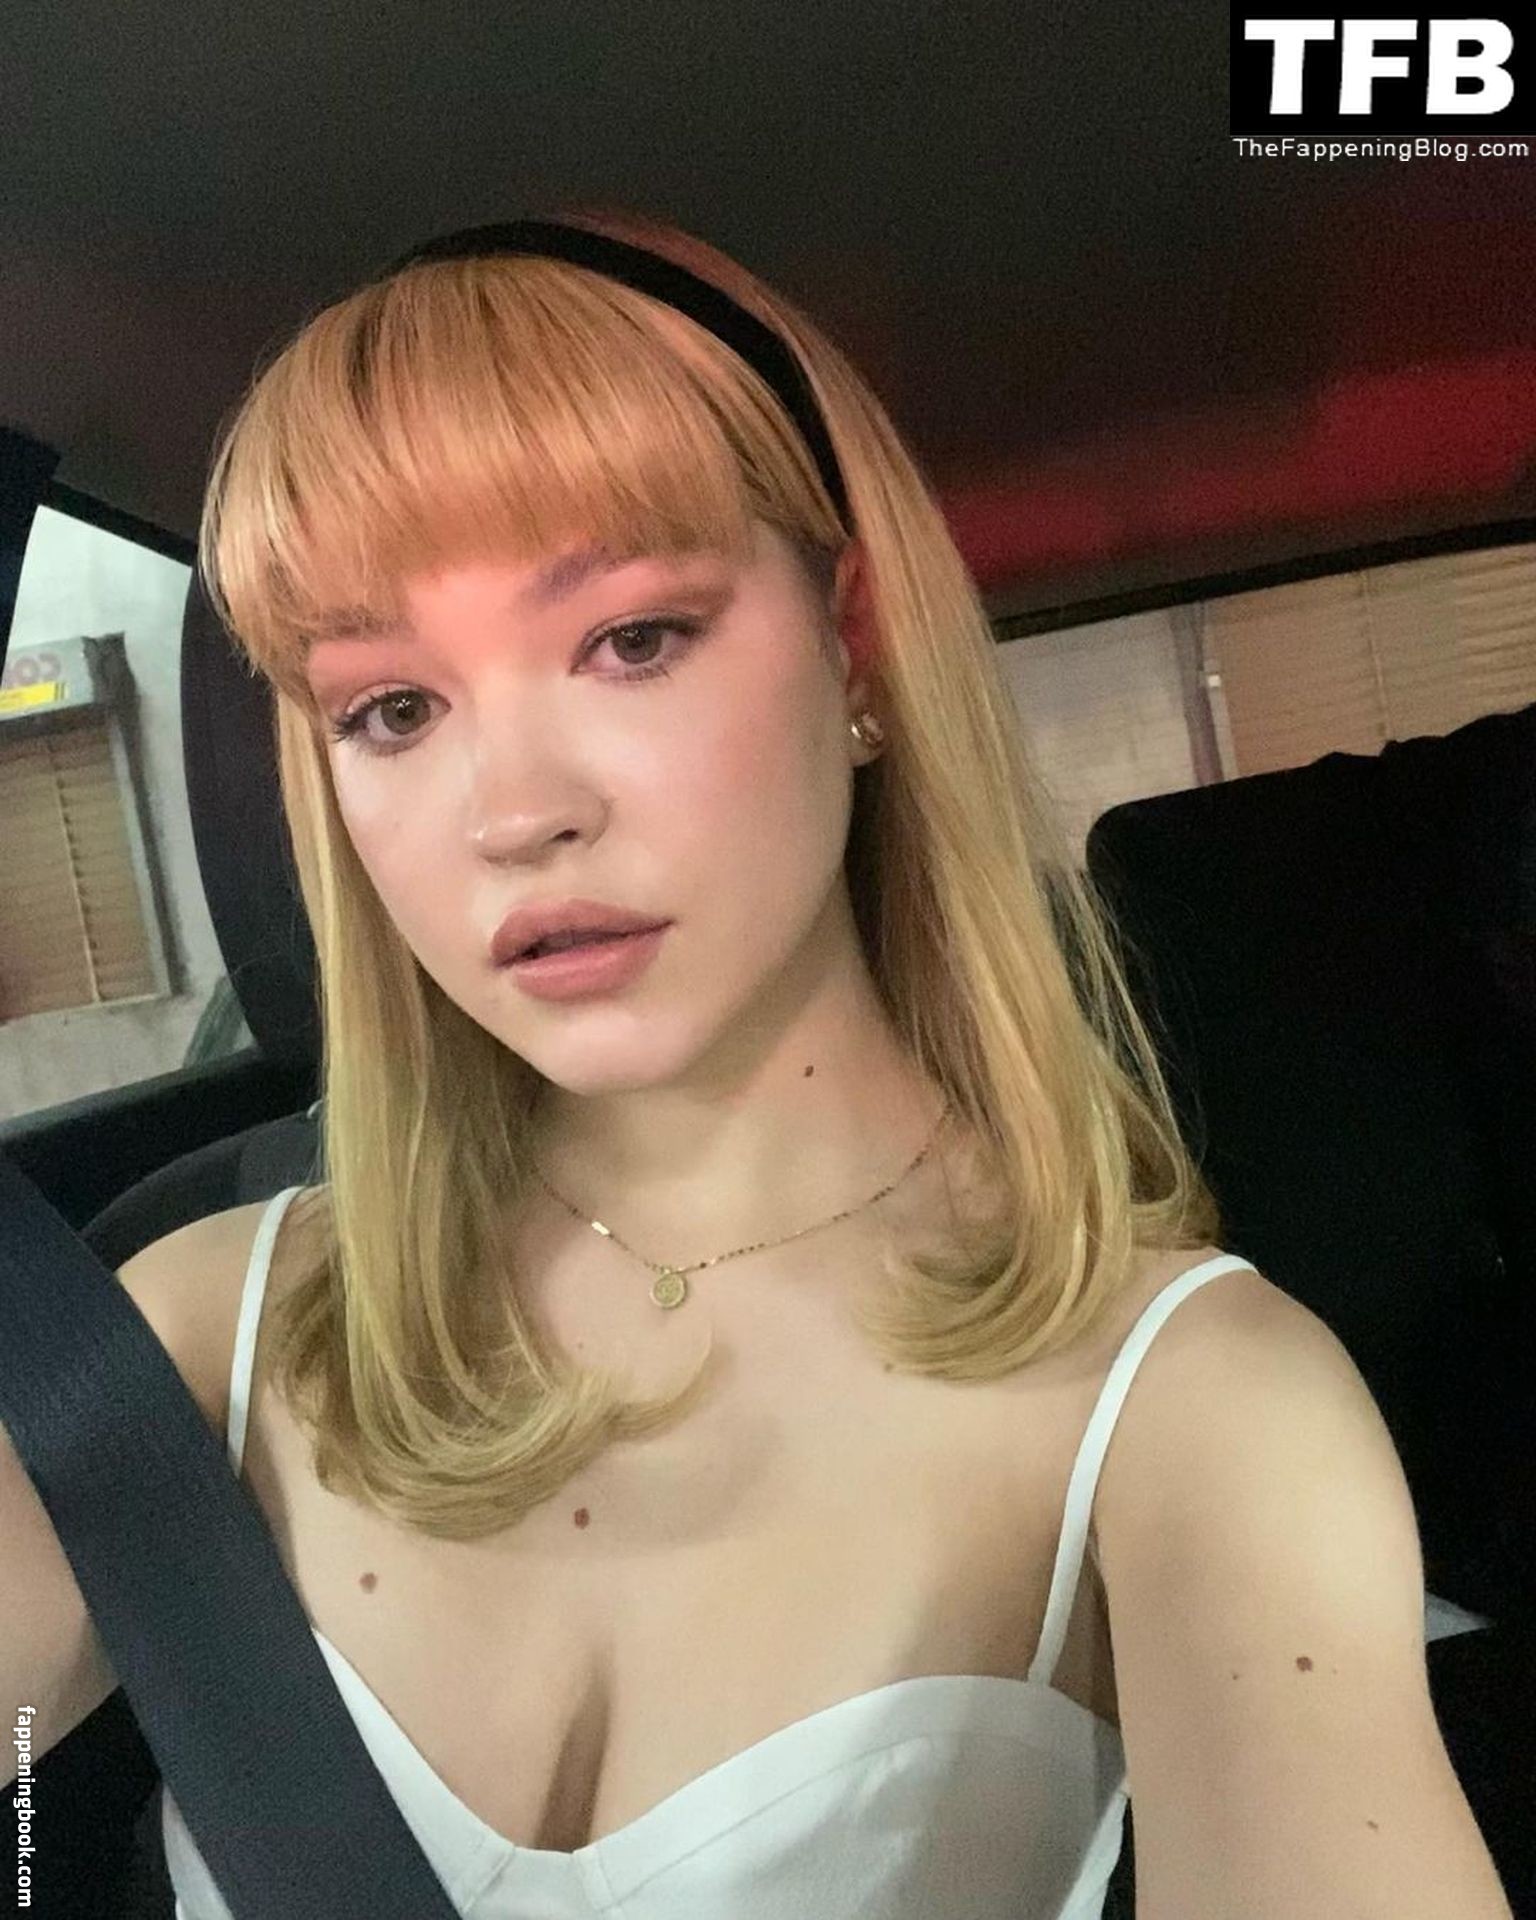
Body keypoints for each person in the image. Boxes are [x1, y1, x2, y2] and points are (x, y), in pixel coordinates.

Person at [6, 210, 1512, 1919]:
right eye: (393, 710)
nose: (516, 812)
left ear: (855, 646)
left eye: (634, 638)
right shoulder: (198, 1332)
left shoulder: (1193, 1417)